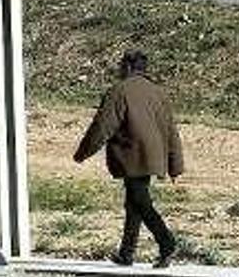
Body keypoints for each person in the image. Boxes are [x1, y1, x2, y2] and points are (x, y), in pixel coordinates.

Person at [73, 50, 183, 268]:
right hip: (154, 154)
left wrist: (82, 152)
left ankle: (166, 241)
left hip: (133, 154)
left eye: (121, 66)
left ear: (129, 67)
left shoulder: (119, 91)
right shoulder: (157, 92)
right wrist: (174, 164)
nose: (119, 70)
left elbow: (102, 126)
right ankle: (126, 253)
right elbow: (171, 130)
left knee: (140, 201)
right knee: (133, 202)